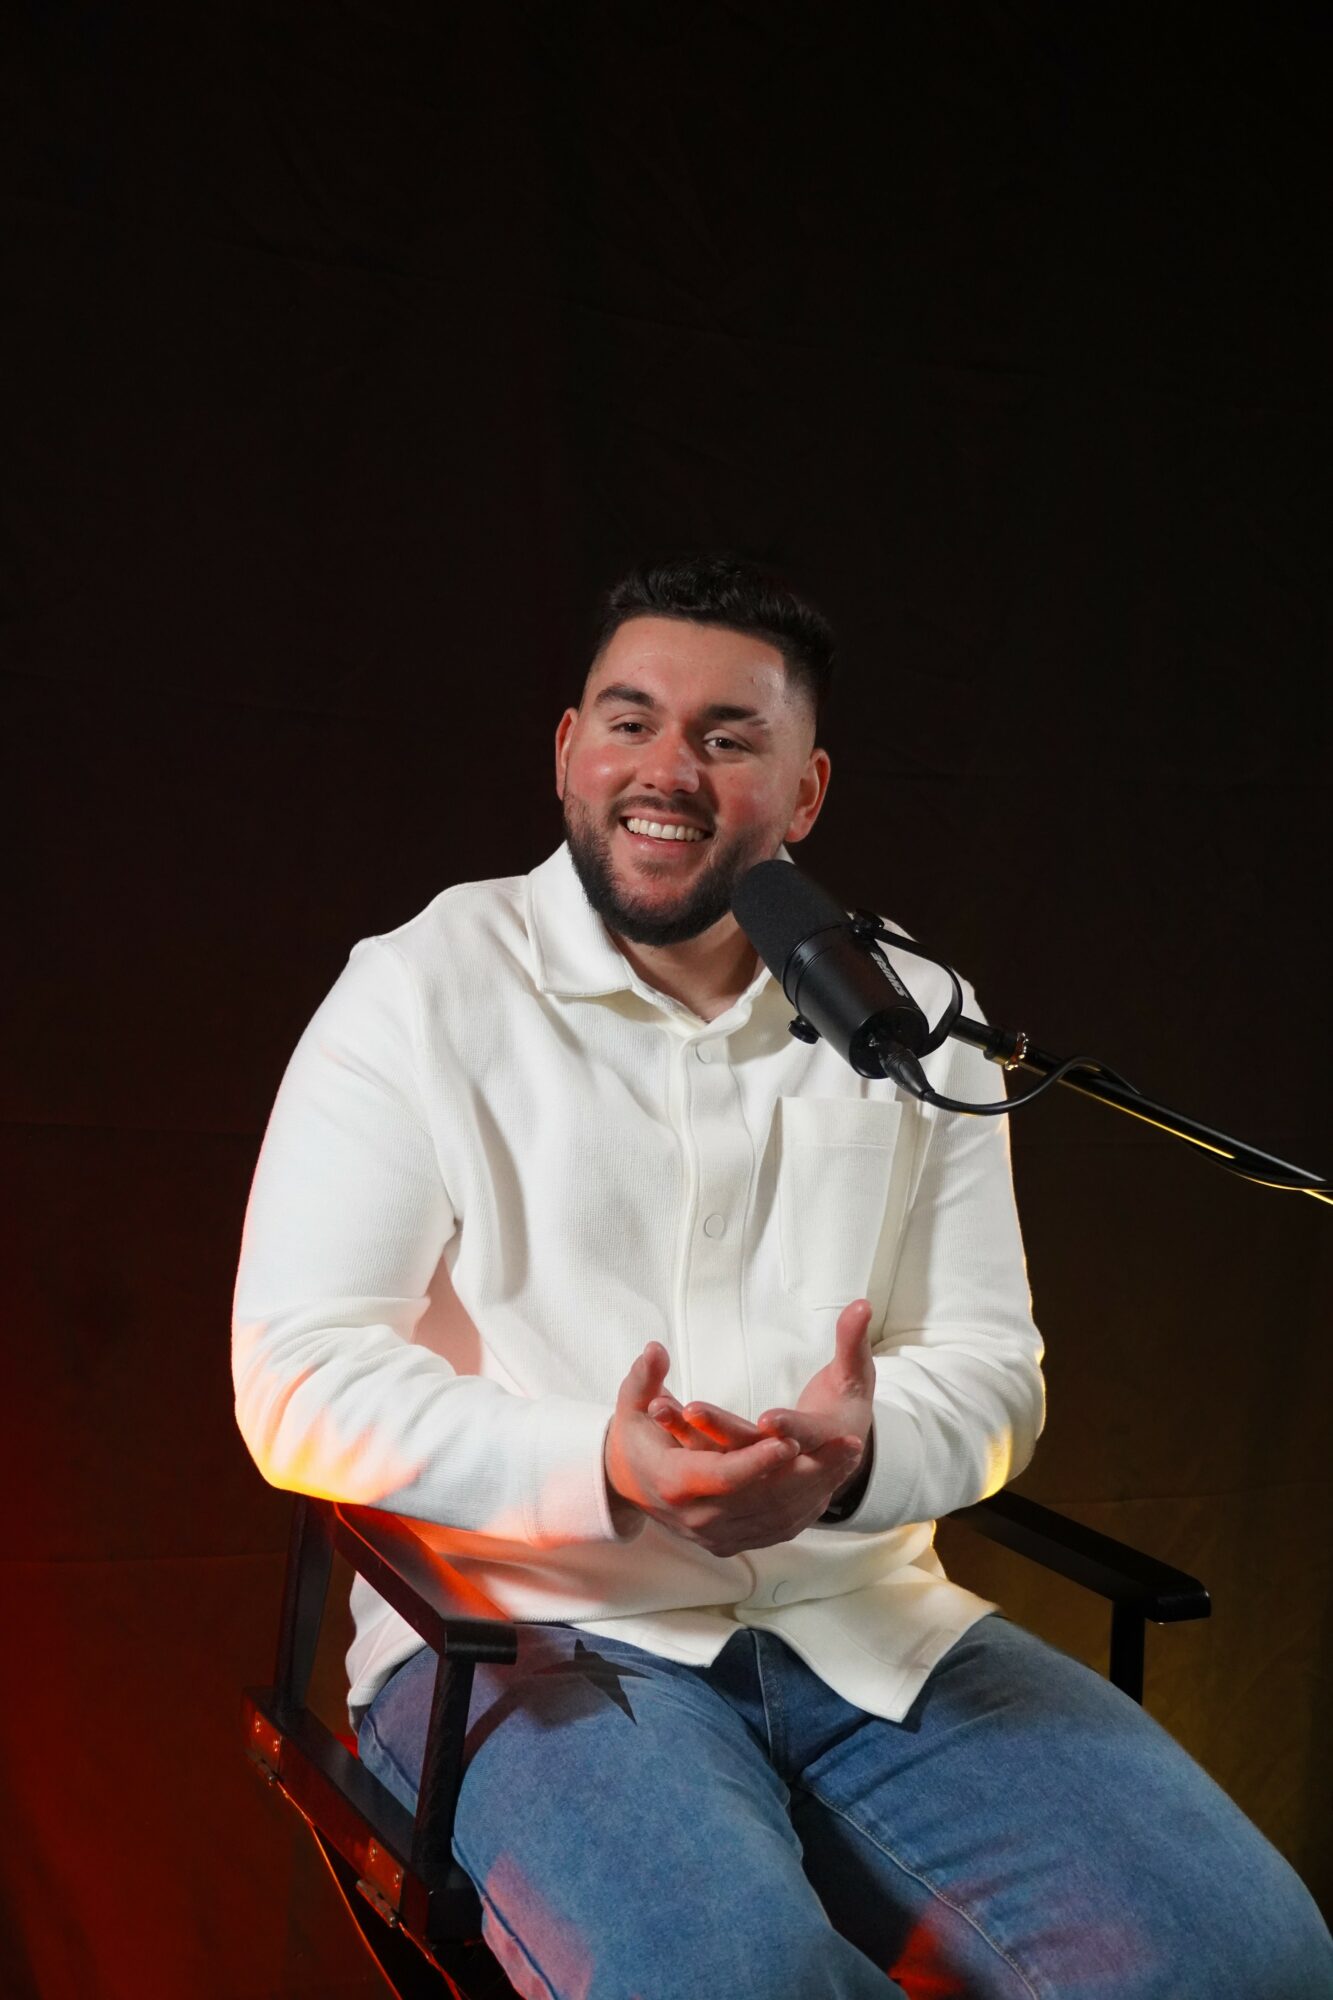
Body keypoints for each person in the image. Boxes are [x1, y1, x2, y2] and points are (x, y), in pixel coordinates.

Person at [232, 553, 1332, 1998]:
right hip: (531, 1635)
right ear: (566, 749)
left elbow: (992, 1373)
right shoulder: (421, 991)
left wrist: (856, 1458)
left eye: (727, 737)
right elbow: (298, 1376)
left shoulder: (918, 1017)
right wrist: (603, 1463)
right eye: (629, 721)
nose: (666, 770)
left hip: (867, 1628)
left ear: (806, 792)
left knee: (1247, 1958)